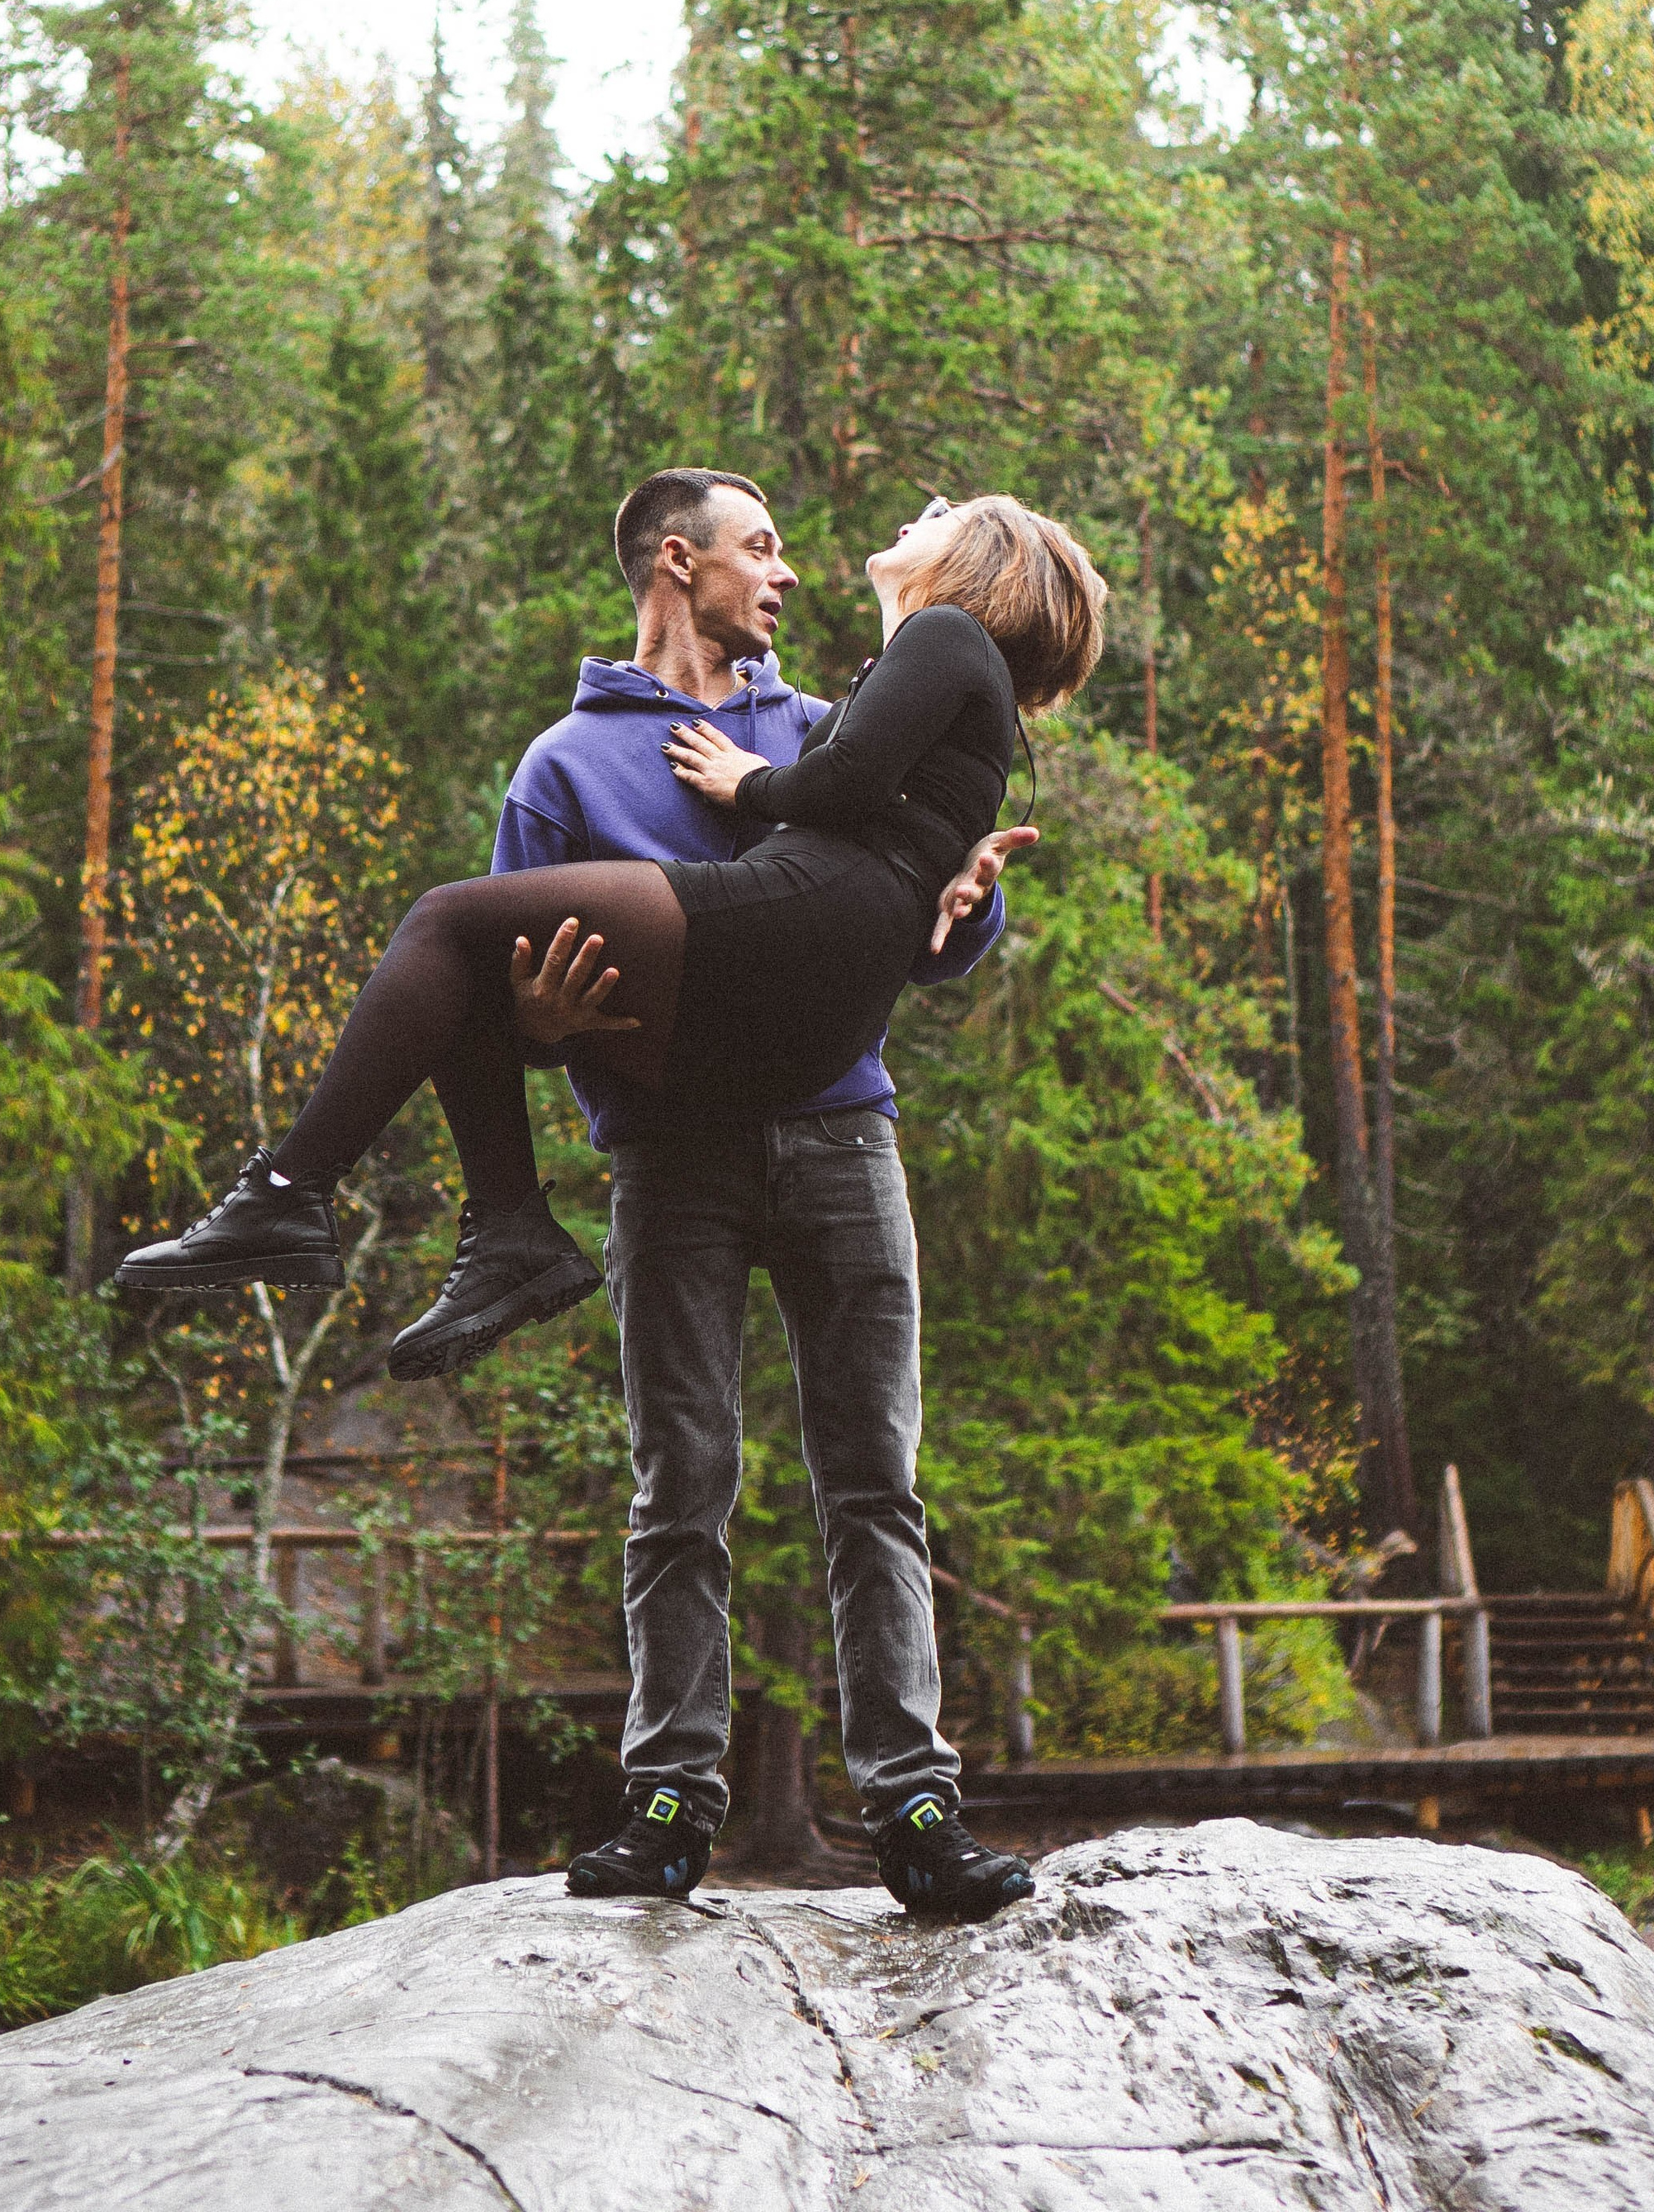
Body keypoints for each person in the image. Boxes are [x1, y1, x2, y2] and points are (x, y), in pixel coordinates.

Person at [116, 482, 1105, 1919]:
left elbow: (904, 898)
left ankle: (913, 1804)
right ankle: (665, 1804)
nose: (787, 571)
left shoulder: (825, 716)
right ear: (676, 559)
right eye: (760, 546)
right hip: (670, 1150)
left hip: (839, 1136)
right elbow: (491, 1018)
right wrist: (544, 1020)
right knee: (680, 1486)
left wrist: (972, 904)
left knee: (874, 1479)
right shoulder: (562, 767)